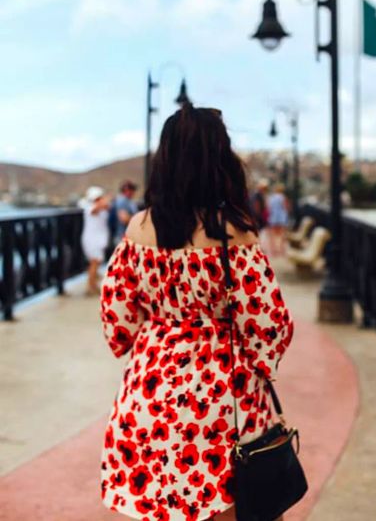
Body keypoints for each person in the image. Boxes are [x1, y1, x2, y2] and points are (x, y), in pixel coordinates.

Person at [99, 104, 294, 521]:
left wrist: (149, 339)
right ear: (219, 159)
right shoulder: (234, 231)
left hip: (151, 387)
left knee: (161, 502)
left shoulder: (138, 229)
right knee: (233, 503)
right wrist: (261, 362)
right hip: (223, 393)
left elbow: (117, 316)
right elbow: (267, 322)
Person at [80, 186, 110, 296]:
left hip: (98, 239)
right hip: (92, 240)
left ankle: (93, 284)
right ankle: (90, 287)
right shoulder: (90, 208)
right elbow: (96, 209)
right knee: (94, 262)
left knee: (96, 263)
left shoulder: (102, 208)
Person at [267, 183, 290, 256]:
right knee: (282, 235)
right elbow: (286, 207)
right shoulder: (283, 197)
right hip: (281, 218)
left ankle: (273, 250)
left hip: (273, 217)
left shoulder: (271, 197)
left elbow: (269, 207)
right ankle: (281, 250)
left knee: (272, 235)